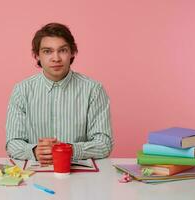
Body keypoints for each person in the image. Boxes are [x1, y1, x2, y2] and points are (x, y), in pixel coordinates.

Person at [6, 23, 114, 165]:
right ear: (37, 55)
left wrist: (69, 150)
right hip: (36, 174)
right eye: (47, 51)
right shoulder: (22, 90)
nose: (56, 58)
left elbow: (104, 144)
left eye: (62, 50)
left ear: (72, 52)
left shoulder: (93, 90)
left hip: (81, 178)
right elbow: (12, 142)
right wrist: (34, 151)